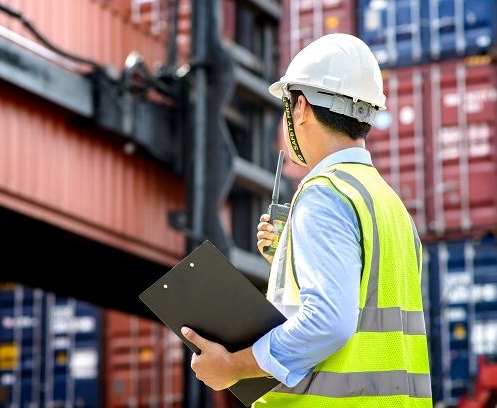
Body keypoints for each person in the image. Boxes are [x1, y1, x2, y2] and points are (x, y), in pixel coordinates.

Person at [181, 33, 432, 407]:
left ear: (300, 107)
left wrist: (234, 365)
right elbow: (369, 303)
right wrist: (293, 261)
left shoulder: (324, 193)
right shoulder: (388, 203)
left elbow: (330, 321)